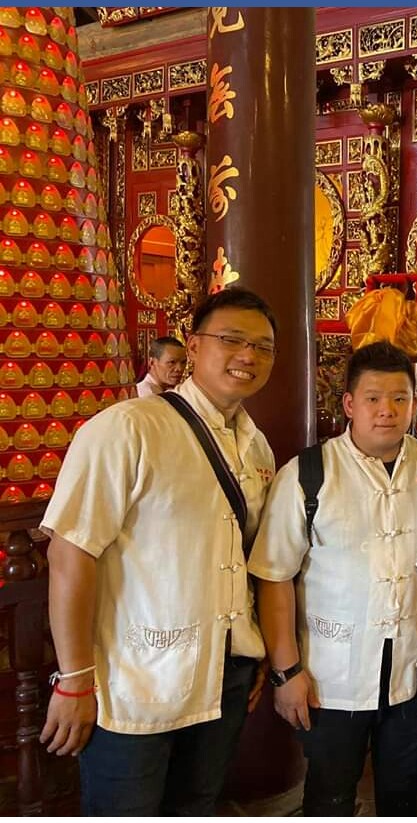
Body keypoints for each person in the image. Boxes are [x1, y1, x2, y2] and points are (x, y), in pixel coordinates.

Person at [39, 287, 279, 815]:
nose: (248, 356)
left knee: (197, 805)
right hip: (135, 679)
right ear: (193, 346)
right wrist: (74, 679)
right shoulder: (128, 427)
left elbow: (251, 559)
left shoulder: (257, 446)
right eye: (231, 340)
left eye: (263, 347)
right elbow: (70, 553)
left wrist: (253, 645)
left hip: (225, 674)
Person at [249, 342, 417, 816]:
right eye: (373, 398)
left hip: (411, 671)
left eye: (400, 398)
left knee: (403, 795)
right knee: (330, 797)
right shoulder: (308, 474)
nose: (387, 411)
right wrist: (286, 672)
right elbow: (274, 577)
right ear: (349, 404)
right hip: (331, 677)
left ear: (414, 403)